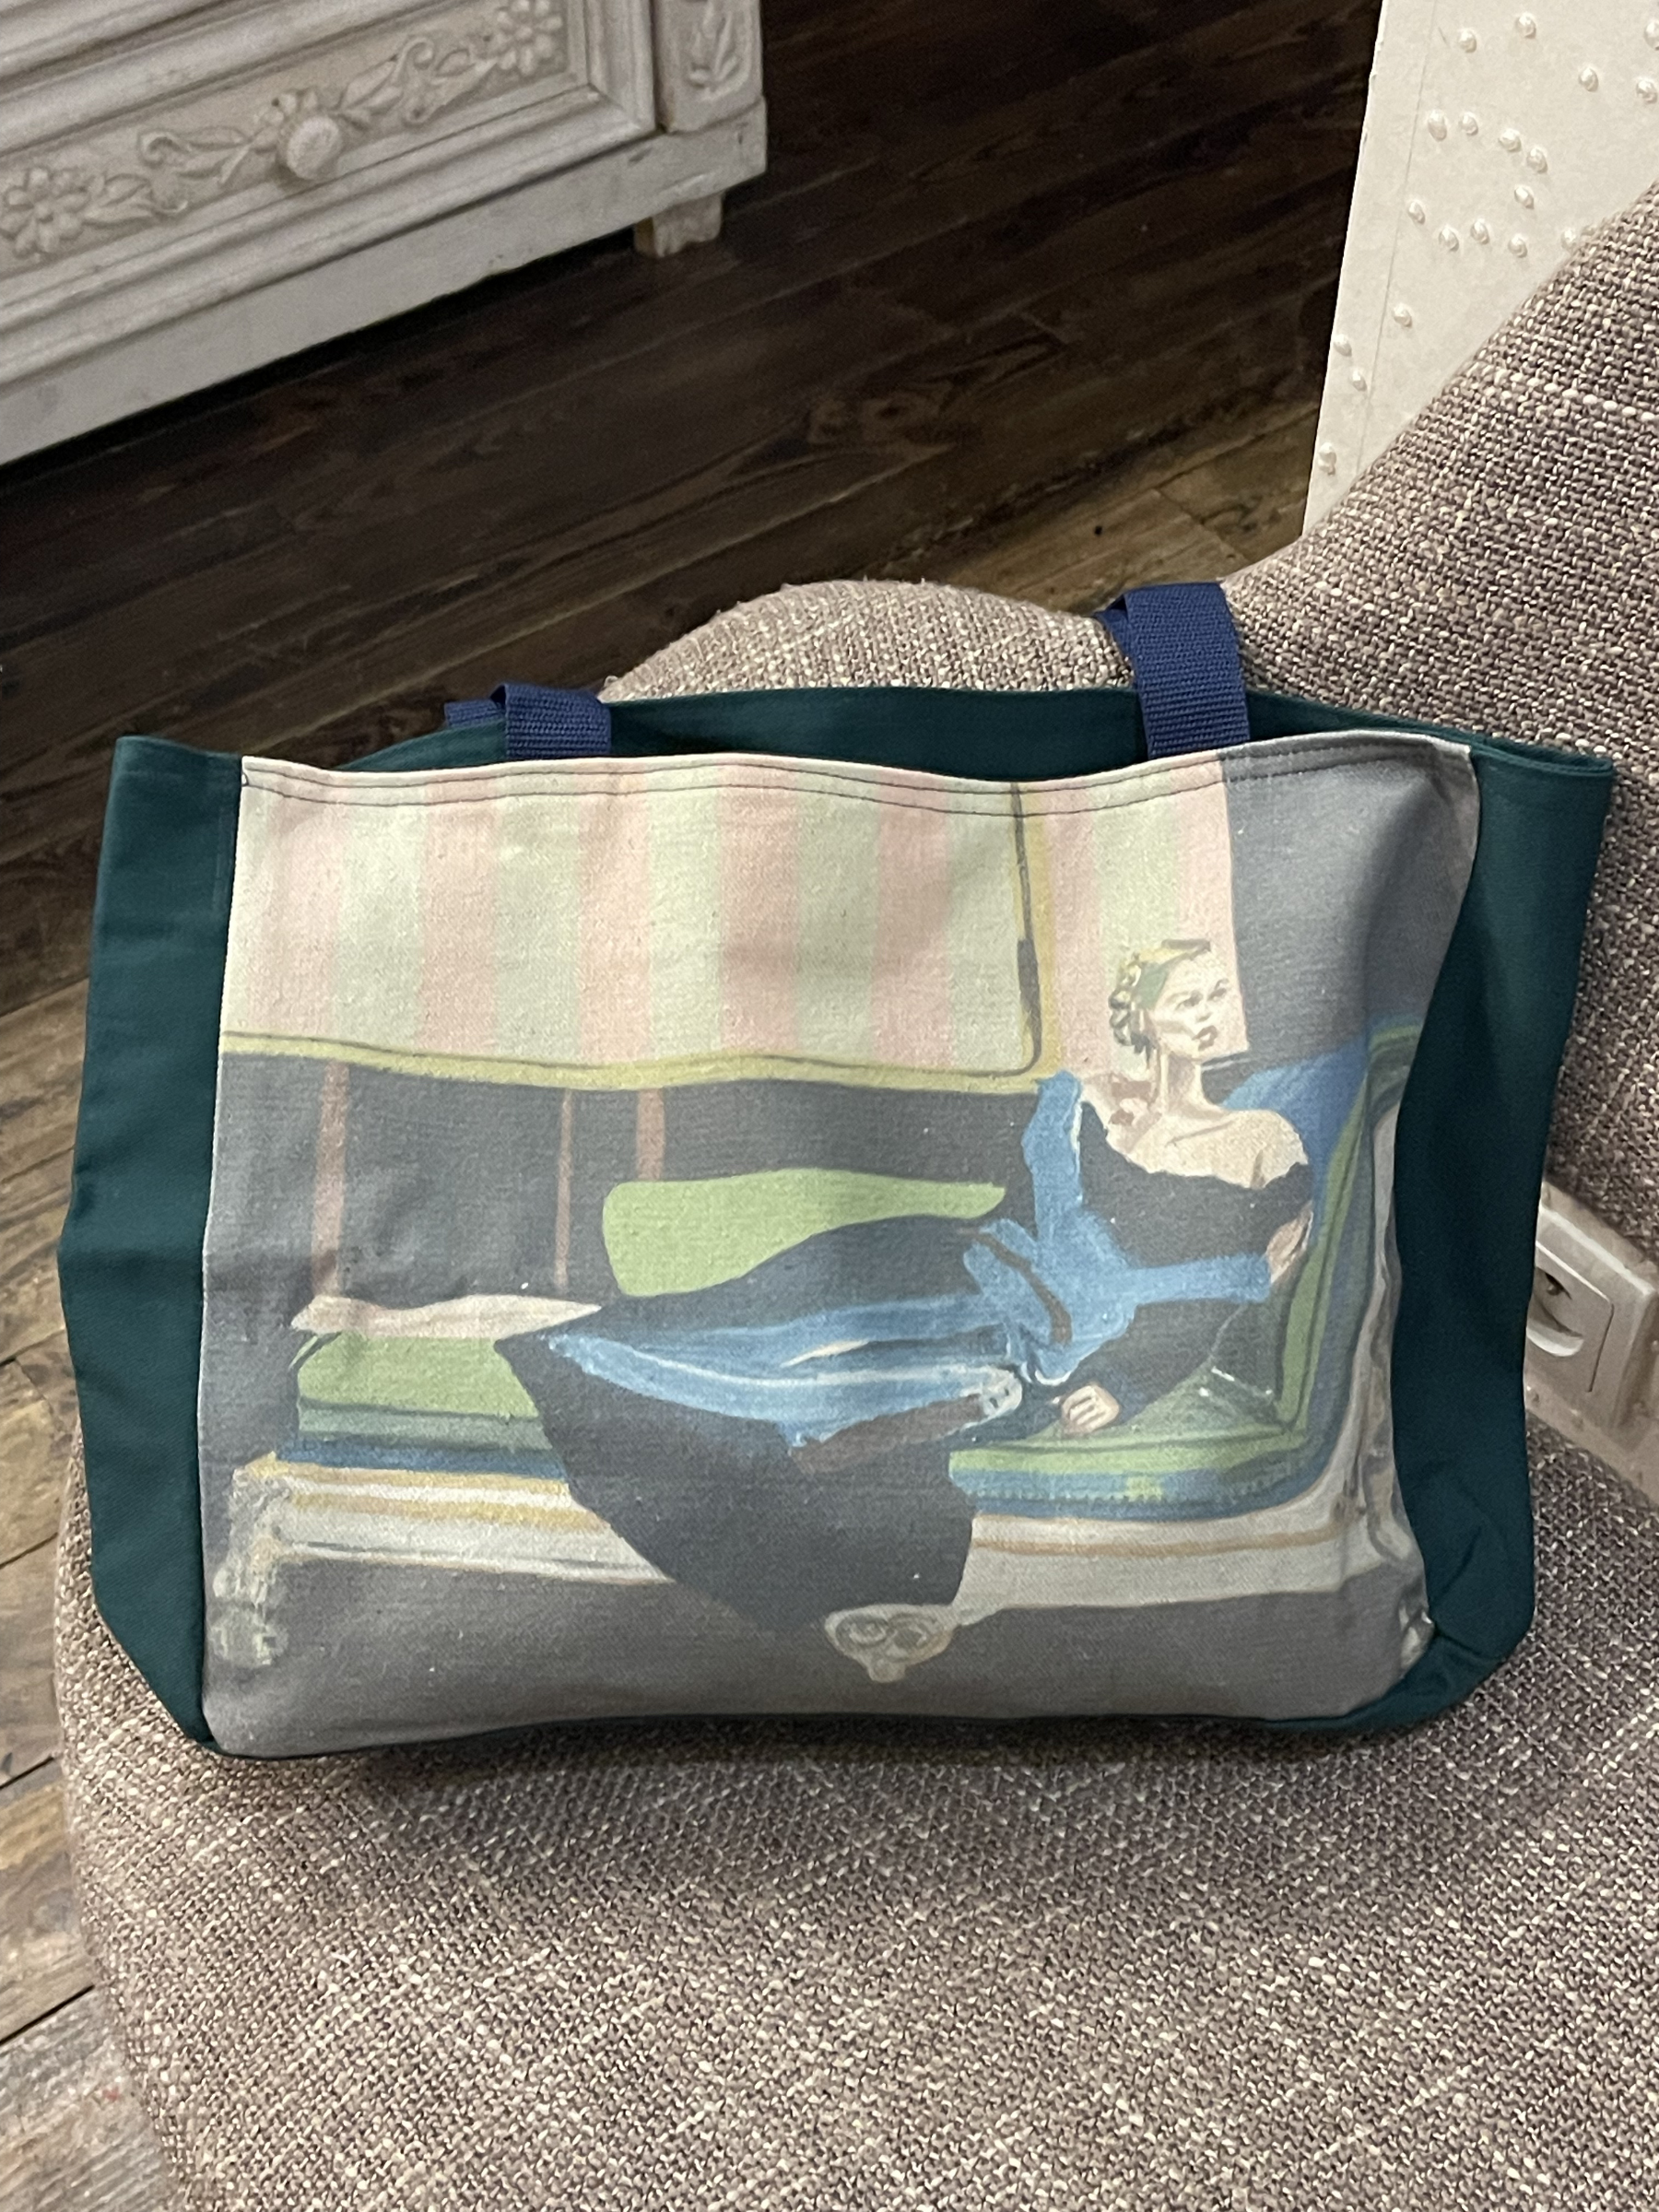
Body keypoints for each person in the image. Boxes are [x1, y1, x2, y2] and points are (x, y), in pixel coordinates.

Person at [499, 940, 1312, 1632]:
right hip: (949, 1260)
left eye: (1217, 995)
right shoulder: (1082, 1095)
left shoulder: (1261, 1141)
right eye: (1186, 1001)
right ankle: (584, 1361)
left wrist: (1126, 1388)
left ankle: (796, 1550)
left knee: (837, 1409)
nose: (1208, 1015)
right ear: (1140, 1016)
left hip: (1035, 1351)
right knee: (774, 1314)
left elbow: (1217, 1299)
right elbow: (1031, 1197)